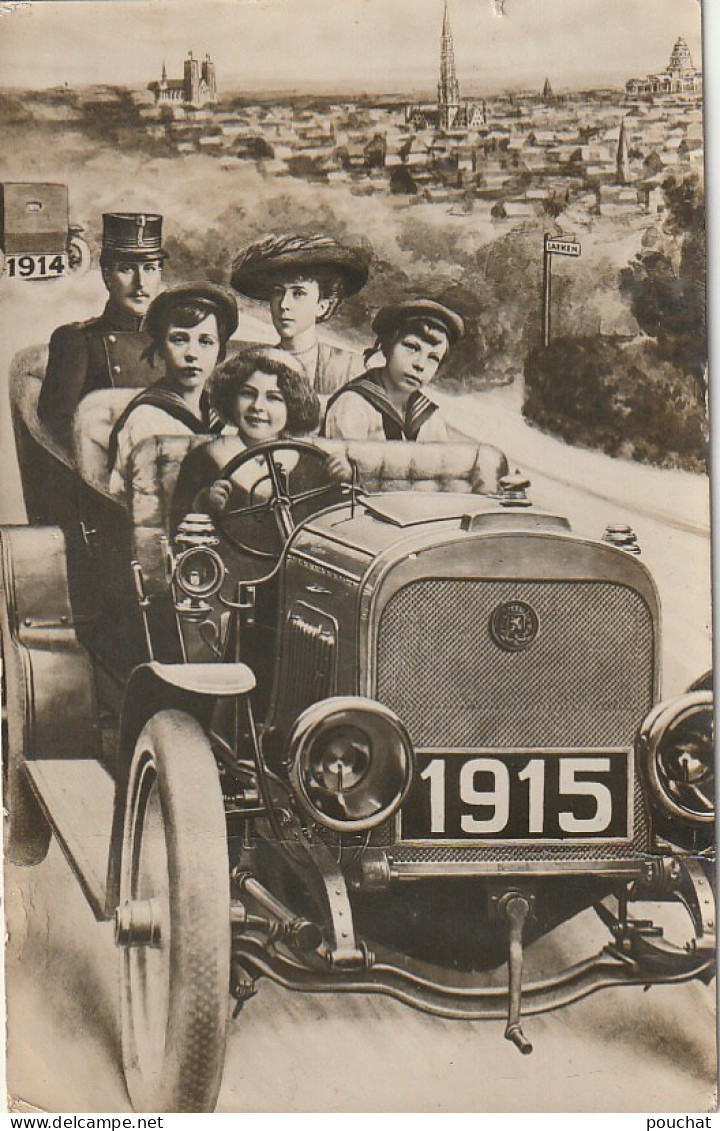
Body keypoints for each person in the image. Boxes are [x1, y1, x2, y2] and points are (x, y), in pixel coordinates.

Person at [38, 212, 168, 450]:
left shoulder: (173, 340)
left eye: (149, 268)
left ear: (160, 273)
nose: (141, 283)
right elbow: (55, 433)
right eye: (127, 269)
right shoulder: (77, 340)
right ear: (106, 275)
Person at [179, 346, 350, 522]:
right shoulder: (202, 460)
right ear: (230, 397)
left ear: (292, 405)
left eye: (273, 398)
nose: (257, 406)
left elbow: (339, 524)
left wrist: (343, 480)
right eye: (247, 394)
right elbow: (178, 528)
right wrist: (203, 504)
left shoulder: (314, 464)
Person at [107, 282, 239, 495]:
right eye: (179, 339)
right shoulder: (146, 420)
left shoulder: (226, 417)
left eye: (205, 341)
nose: (192, 353)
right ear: (160, 348)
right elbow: (144, 503)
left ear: (220, 352)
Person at [229, 233, 369, 397]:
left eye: (298, 293)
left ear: (322, 306)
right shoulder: (249, 365)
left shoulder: (350, 369)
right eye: (277, 292)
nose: (283, 305)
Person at [322, 299, 465, 442]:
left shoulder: (431, 420)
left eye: (433, 358)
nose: (420, 365)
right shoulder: (353, 405)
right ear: (388, 345)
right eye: (412, 347)